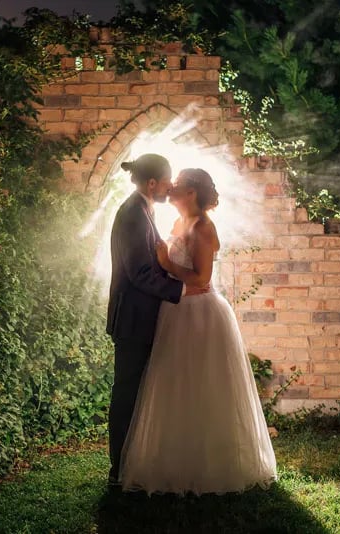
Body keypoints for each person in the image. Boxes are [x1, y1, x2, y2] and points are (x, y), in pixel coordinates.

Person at [119, 168, 277, 496]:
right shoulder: (178, 222)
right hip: (175, 310)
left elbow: (202, 278)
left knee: (204, 385)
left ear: (192, 193)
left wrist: (167, 264)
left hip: (200, 313)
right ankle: (176, 461)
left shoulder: (204, 227)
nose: (171, 189)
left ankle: (211, 465)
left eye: (177, 185)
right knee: (175, 384)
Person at [106, 154, 210, 487]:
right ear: (152, 183)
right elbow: (139, 274)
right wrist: (183, 289)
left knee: (140, 393)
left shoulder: (143, 209)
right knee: (127, 394)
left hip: (145, 316)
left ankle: (134, 462)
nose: (170, 187)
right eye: (167, 182)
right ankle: (118, 470)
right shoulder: (132, 214)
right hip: (133, 319)